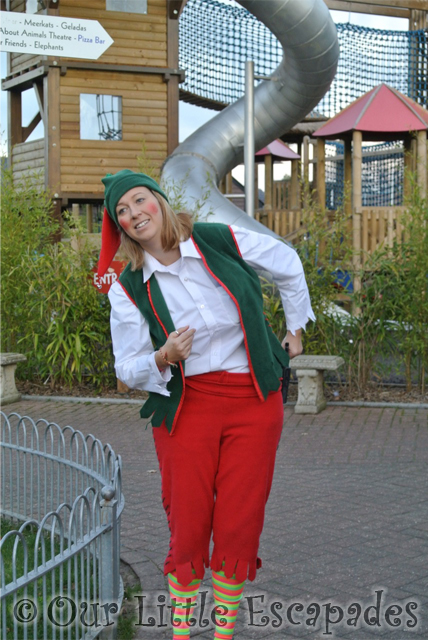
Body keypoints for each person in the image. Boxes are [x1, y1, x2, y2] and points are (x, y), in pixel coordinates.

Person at [97, 169, 315, 639]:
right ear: (120, 227)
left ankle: (222, 634)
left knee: (240, 520)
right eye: (123, 212)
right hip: (187, 406)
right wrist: (163, 356)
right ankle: (181, 633)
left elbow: (287, 261)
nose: (135, 214)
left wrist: (295, 329)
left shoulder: (219, 239)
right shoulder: (128, 286)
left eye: (139, 201)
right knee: (190, 523)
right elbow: (126, 368)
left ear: (159, 201)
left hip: (255, 401)